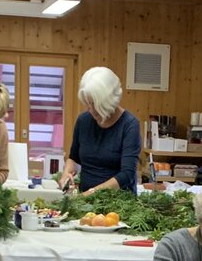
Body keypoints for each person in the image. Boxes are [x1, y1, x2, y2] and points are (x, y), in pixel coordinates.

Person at [56, 66, 141, 195]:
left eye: (95, 104)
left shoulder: (129, 125)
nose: (91, 109)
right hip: (86, 202)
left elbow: (127, 174)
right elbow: (74, 158)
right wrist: (66, 173)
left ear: (109, 100)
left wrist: (92, 192)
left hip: (118, 204)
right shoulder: (83, 121)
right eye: (87, 103)